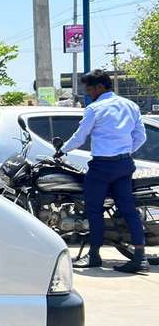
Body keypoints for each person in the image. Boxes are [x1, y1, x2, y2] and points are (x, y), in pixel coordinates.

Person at [59, 69, 148, 273]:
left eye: (89, 89)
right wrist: (124, 152)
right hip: (124, 165)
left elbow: (80, 137)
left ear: (99, 87)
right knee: (128, 210)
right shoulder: (131, 105)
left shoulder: (95, 108)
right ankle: (140, 258)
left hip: (101, 167)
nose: (88, 93)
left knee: (94, 210)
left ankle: (94, 256)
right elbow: (140, 137)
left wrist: (61, 150)